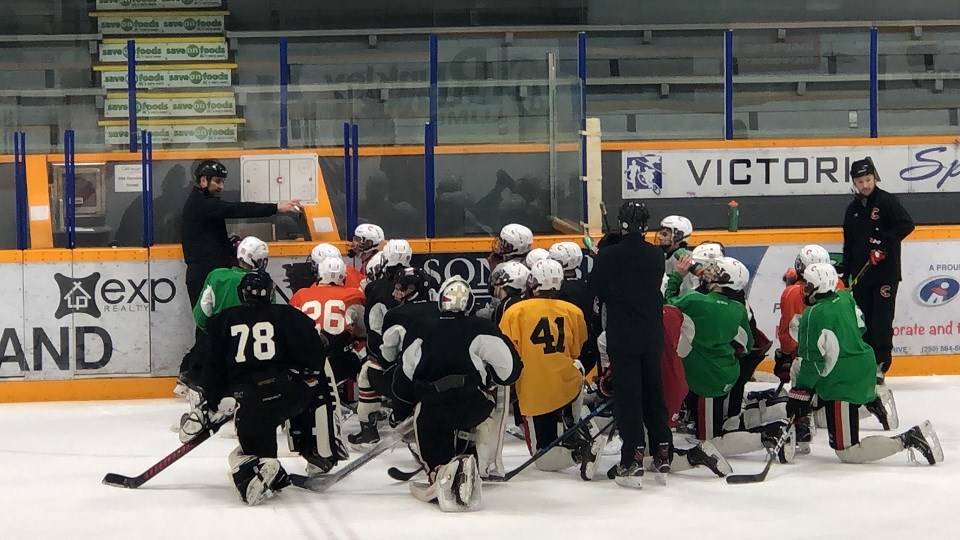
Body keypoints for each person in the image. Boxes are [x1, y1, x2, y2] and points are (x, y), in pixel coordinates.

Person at [179, 271, 347, 505]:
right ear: (269, 294)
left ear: (241, 294)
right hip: (285, 392)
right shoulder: (287, 315)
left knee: (249, 452)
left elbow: (213, 369)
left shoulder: (222, 321)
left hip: (246, 400)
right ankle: (318, 454)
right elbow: (315, 354)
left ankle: (259, 469)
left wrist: (212, 402)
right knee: (316, 390)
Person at [787, 263, 942, 466]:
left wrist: (800, 393)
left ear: (819, 286)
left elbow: (812, 363)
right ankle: (875, 402)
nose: (804, 290)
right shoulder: (845, 297)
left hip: (841, 382)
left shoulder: (812, 314)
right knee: (827, 415)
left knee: (848, 451)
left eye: (807, 285)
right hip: (865, 366)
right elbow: (861, 328)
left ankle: (909, 439)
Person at [392, 276, 522, 511]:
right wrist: (491, 375)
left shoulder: (421, 328)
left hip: (432, 408)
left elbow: (403, 378)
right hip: (473, 405)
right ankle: (479, 459)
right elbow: (510, 371)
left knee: (431, 428)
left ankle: (439, 470)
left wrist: (401, 411)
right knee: (489, 402)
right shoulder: (482, 327)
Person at [178, 159, 301, 377]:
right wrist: (276, 207)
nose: (221, 186)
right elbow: (235, 208)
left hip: (214, 272)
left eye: (223, 181)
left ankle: (196, 371)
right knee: (209, 327)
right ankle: (192, 372)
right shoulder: (201, 204)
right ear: (203, 180)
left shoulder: (204, 202)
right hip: (203, 274)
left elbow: (212, 235)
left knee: (217, 325)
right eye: (217, 181)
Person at [667, 256, 793, 462]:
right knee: (725, 421)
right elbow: (747, 344)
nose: (709, 273)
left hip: (705, 379)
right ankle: (770, 414)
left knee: (709, 442)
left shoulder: (694, 301)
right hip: (726, 373)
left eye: (715, 271)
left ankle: (768, 435)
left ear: (724, 280)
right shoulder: (737, 308)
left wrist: (676, 277)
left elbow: (666, 304)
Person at [586, 201, 671, 488]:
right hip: (651, 334)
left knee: (629, 396)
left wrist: (605, 252)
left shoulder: (609, 256)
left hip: (623, 335)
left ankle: (632, 455)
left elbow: (596, 289)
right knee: (653, 391)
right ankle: (662, 449)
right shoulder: (656, 255)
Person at [499, 259, 603, 480]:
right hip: (569, 381)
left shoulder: (516, 311)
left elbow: (507, 353)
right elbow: (576, 349)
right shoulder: (573, 311)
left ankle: (580, 452)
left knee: (543, 460)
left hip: (535, 388)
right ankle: (579, 428)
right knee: (575, 376)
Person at [842, 158, 915, 383]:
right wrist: (846, 273)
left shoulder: (887, 201)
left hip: (885, 274)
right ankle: (865, 363)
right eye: (860, 181)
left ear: (875, 177)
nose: (865, 184)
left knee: (881, 320)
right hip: (862, 275)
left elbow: (906, 224)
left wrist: (883, 243)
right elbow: (849, 243)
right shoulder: (852, 209)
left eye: (868, 179)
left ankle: (880, 365)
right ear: (854, 182)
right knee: (863, 321)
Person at [350, 239, 413, 445]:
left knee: (367, 373)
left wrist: (380, 356)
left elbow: (374, 332)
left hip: (394, 359)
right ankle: (404, 414)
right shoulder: (427, 280)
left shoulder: (376, 288)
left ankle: (369, 430)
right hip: (426, 356)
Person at [289, 257, 367, 388]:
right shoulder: (353, 295)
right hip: (337, 360)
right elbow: (363, 331)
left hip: (304, 361)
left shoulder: (300, 295)